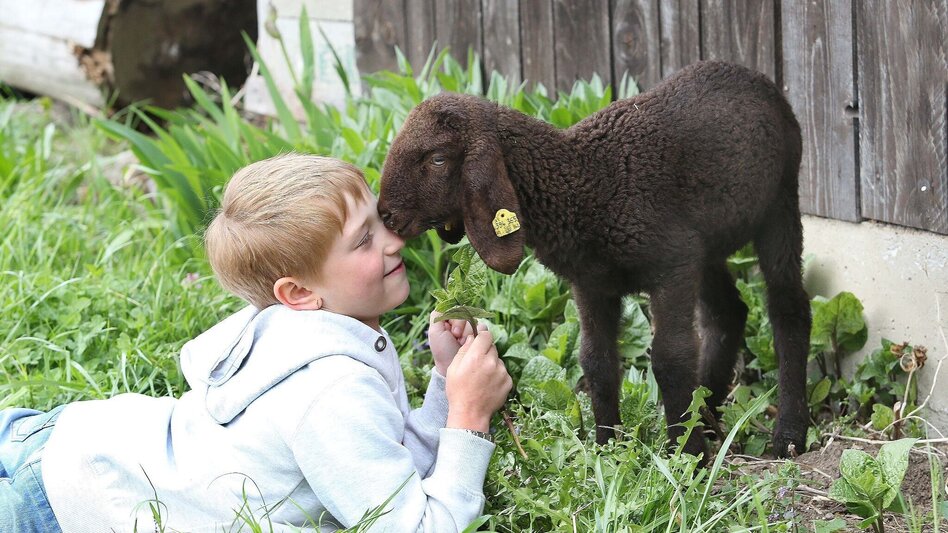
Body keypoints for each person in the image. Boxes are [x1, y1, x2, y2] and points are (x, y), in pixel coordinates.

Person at [0, 153, 513, 532]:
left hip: (71, 438)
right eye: (363, 240)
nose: (395, 240)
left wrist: (447, 383)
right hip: (60, 504)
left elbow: (385, 461)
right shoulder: (328, 391)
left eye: (379, 223)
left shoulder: (303, 333)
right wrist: (469, 419)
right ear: (299, 292)